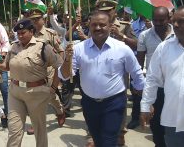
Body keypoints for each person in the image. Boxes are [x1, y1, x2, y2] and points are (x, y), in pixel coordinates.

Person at [59, 11, 145, 147]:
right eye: (94, 24)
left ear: (110, 26)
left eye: (102, 25)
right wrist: (67, 60)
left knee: (109, 140)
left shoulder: (122, 49)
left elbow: (137, 74)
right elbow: (64, 75)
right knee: (97, 138)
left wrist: (145, 103)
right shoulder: (78, 49)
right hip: (89, 103)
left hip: (114, 103)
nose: (98, 28)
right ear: (89, 26)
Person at [0, 18, 66, 147]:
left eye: (23, 32)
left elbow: (59, 66)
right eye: (18, 33)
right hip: (15, 93)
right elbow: (8, 66)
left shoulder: (43, 46)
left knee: (39, 130)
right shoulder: (14, 46)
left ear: (31, 32)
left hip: (36, 93)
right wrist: (0, 65)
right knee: (14, 130)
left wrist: (53, 88)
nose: (20, 35)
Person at [140, 7, 184, 147]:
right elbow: (152, 78)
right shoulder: (164, 48)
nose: (175, 25)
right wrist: (146, 106)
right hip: (174, 118)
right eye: (174, 21)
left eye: (181, 21)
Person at [97, 0, 138, 146]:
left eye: (109, 10)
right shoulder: (96, 26)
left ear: (115, 11)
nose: (107, 13)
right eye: (103, 11)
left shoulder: (125, 26)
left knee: (118, 103)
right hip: (99, 70)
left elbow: (137, 44)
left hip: (119, 72)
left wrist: (122, 36)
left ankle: (120, 135)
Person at [130, 7, 174, 144]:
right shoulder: (144, 35)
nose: (158, 23)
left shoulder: (178, 34)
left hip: (175, 88)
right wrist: (137, 82)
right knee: (156, 124)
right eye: (155, 20)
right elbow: (140, 60)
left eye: (162, 20)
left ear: (169, 19)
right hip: (156, 87)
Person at [29, 8, 66, 129]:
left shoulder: (50, 34)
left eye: (37, 19)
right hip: (33, 70)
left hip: (49, 71)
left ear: (43, 20)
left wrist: (58, 69)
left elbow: (60, 51)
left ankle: (58, 112)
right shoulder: (28, 34)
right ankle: (39, 122)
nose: (34, 21)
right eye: (32, 19)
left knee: (46, 95)